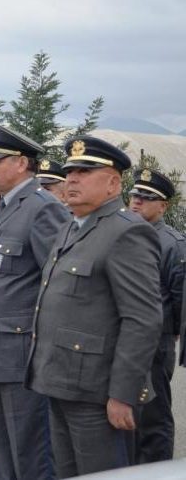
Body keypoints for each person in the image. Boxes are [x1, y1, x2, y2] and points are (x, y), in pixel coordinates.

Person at [26, 136, 162, 478]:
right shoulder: (71, 227)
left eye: (85, 171)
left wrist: (122, 394)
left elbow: (142, 319)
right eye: (70, 171)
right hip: (60, 380)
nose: (72, 178)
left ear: (113, 183)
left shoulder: (126, 233)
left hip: (96, 392)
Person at [0, 123, 70, 480]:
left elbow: (55, 282)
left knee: (30, 451)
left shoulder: (42, 208)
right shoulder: (5, 205)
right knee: (2, 444)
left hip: (21, 351)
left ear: (22, 163)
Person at [128, 168, 185, 463]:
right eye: (135, 195)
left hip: (155, 342)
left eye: (146, 198)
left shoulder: (172, 244)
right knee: (127, 413)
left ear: (162, 206)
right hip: (125, 341)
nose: (137, 202)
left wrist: (171, 332)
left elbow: (179, 297)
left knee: (154, 415)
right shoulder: (124, 234)